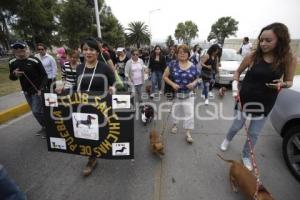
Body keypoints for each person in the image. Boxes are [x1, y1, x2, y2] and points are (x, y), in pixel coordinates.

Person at [220, 22, 297, 171]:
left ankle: (246, 155)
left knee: (254, 133)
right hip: (244, 99)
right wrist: (235, 88)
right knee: (237, 125)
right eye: (261, 40)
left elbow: (289, 82)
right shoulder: (253, 56)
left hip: (266, 103)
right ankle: (227, 139)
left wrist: (282, 84)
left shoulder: (288, 59)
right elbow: (237, 72)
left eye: (268, 40)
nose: (263, 43)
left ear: (280, 40)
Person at [76, 37, 115, 176]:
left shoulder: (104, 67)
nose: (88, 52)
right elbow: (76, 86)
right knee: (88, 135)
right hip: (84, 107)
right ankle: (92, 159)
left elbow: (114, 81)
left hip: (101, 108)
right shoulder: (80, 67)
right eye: (85, 49)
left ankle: (107, 152)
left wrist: (112, 88)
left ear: (97, 52)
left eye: (91, 49)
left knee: (103, 134)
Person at [9, 40, 47, 136]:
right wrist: (14, 74)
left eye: (21, 47)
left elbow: (44, 75)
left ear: (25, 48)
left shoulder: (34, 60)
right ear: (13, 50)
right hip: (26, 91)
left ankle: (48, 128)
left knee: (36, 111)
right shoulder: (12, 61)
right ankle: (46, 127)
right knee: (38, 111)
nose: (19, 50)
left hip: (37, 90)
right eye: (16, 48)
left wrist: (41, 88)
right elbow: (12, 77)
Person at [163, 44, 199, 144]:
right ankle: (175, 125)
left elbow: (198, 78)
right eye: (180, 52)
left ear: (188, 54)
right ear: (177, 54)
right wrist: (173, 84)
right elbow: (164, 76)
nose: (182, 54)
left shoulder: (193, 66)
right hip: (176, 94)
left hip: (189, 95)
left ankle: (188, 133)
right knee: (176, 111)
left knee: (189, 114)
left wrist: (193, 83)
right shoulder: (172, 64)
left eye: (184, 52)